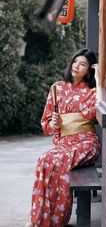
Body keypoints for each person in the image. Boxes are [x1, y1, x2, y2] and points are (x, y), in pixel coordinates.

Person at [24, 48, 101, 227]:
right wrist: (54, 124)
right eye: (75, 61)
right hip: (65, 141)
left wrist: (98, 77)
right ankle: (38, 218)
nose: (76, 66)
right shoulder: (57, 88)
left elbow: (92, 113)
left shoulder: (92, 91)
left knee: (58, 161)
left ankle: (56, 218)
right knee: (44, 160)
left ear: (89, 70)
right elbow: (46, 123)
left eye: (83, 64)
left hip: (86, 142)